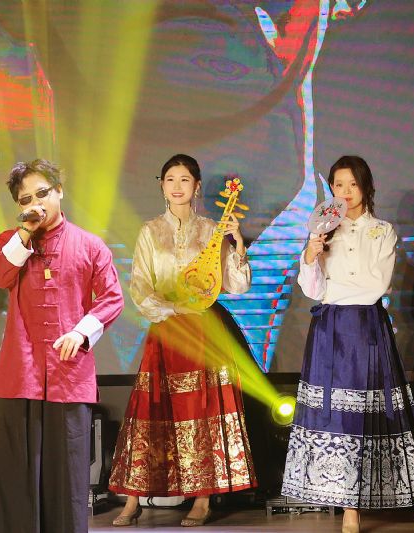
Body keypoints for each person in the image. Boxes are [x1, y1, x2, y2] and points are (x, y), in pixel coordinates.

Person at [281, 155, 414, 533]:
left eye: (352, 184)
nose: (346, 192)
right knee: (339, 418)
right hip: (329, 332)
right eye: (338, 185)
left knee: (387, 415)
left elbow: (374, 287)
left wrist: (333, 290)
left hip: (367, 330)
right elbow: (313, 290)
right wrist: (311, 256)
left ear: (366, 187)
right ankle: (349, 510)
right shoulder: (323, 232)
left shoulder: (382, 231)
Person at [108, 154, 256, 527]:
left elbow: (236, 285)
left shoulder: (211, 230)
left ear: (197, 186)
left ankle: (202, 499)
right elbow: (140, 287)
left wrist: (237, 242)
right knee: (151, 411)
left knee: (201, 412)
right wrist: (173, 308)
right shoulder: (149, 231)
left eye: (185, 179)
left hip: (203, 331)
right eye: (170, 179)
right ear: (161, 185)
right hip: (167, 329)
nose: (177, 186)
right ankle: (133, 499)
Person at [0, 159, 124, 533]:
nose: (36, 204)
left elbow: (112, 298)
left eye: (42, 193)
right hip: (19, 375)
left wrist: (81, 333)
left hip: (69, 376)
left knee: (66, 478)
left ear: (59, 191)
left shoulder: (89, 245)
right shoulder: (10, 242)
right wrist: (24, 235)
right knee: (14, 476)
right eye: (26, 199)